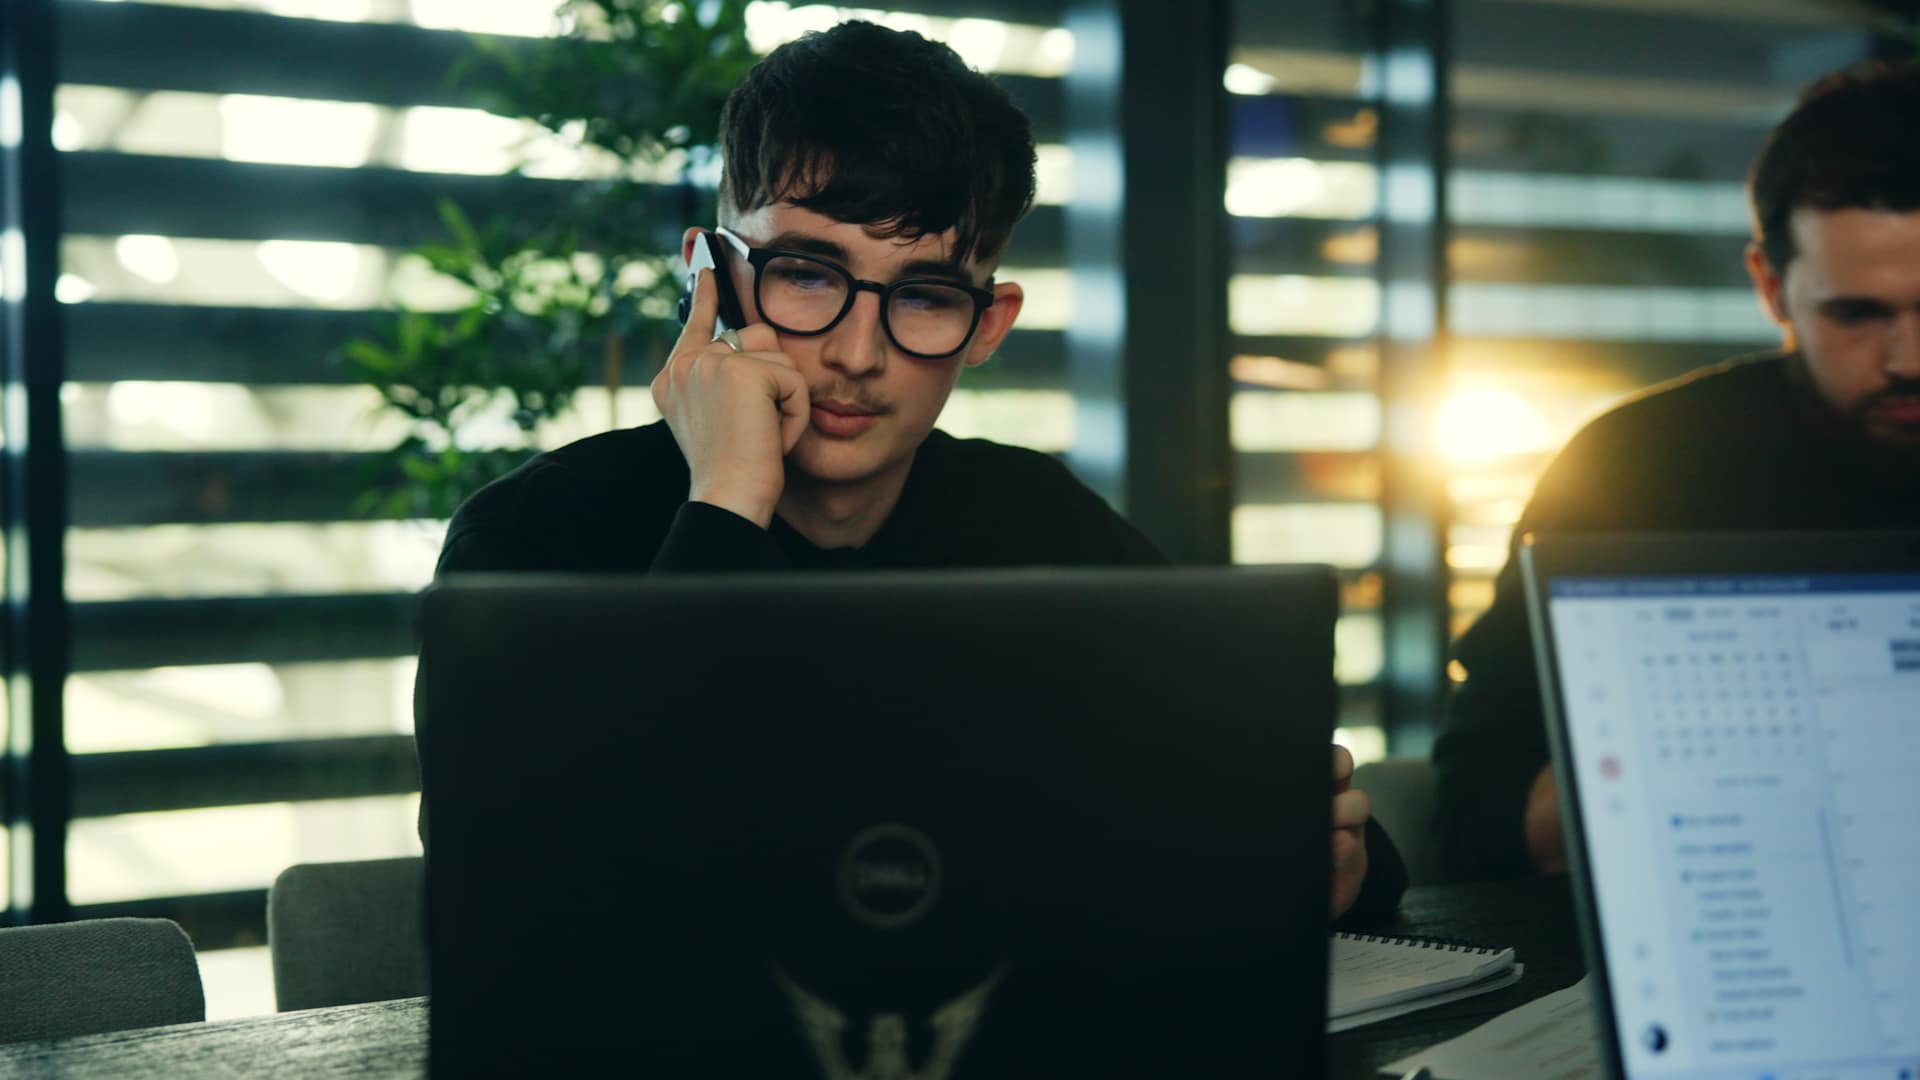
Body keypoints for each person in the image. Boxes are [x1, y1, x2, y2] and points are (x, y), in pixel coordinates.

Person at [415, 20, 1404, 923]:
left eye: (924, 295)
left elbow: (1301, 824)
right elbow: (519, 919)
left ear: (988, 325)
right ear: (708, 280)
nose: (856, 353)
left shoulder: (1038, 526)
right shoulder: (531, 543)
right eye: (807, 274)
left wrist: (1334, 870)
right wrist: (726, 505)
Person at [1432, 60, 1920, 881]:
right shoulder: (1636, 468)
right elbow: (1478, 817)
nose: (1909, 360)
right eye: (1857, 313)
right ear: (1771, 287)